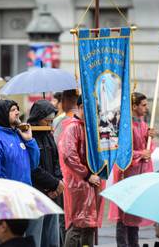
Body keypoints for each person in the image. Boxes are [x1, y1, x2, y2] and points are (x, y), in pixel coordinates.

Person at [0, 100, 40, 246]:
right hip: (4, 203)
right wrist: (4, 201)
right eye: (13, 110)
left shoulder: (18, 134)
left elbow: (34, 164)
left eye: (17, 109)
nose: (17, 112)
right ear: (2, 114)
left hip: (23, 199)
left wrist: (30, 140)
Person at [109, 92, 156, 247]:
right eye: (143, 105)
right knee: (123, 215)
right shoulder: (125, 126)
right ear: (134, 106)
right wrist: (141, 154)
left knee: (134, 214)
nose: (146, 108)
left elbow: (147, 149)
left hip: (139, 176)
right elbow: (122, 151)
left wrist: (150, 138)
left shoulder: (143, 124)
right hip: (126, 175)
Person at [57, 96, 105, 247]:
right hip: (78, 183)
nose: (95, 112)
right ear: (82, 106)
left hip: (93, 183)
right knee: (77, 225)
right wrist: (87, 175)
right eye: (93, 108)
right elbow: (68, 156)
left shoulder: (91, 128)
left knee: (90, 225)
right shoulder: (72, 127)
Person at [27, 100, 64, 247]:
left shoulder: (48, 134)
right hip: (37, 193)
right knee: (36, 235)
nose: (50, 122)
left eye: (51, 119)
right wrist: (54, 183)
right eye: (47, 119)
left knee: (52, 236)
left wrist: (58, 183)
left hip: (52, 192)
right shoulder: (29, 137)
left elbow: (56, 160)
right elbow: (33, 168)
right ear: (37, 117)